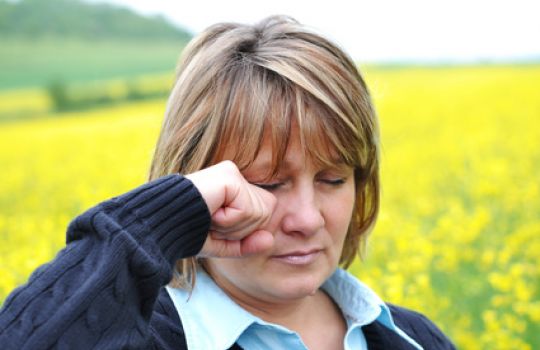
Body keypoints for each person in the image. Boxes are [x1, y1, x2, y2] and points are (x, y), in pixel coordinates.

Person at [0, 15, 455, 350]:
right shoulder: (148, 340)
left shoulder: (412, 338)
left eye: (333, 179)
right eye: (269, 184)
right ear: (200, 185)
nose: (307, 219)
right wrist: (157, 226)